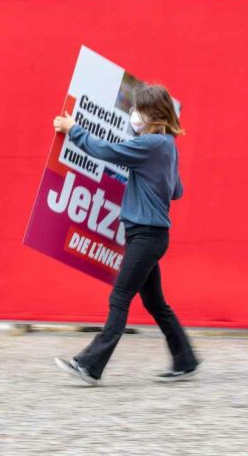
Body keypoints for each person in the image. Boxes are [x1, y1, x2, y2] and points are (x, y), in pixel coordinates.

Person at [52, 84, 200, 385]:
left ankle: (90, 364)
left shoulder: (152, 146)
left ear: (153, 113)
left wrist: (72, 128)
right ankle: (185, 360)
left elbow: (106, 151)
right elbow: (178, 191)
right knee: (155, 303)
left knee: (119, 297)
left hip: (146, 235)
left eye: (139, 110)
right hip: (150, 235)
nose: (134, 115)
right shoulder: (165, 145)